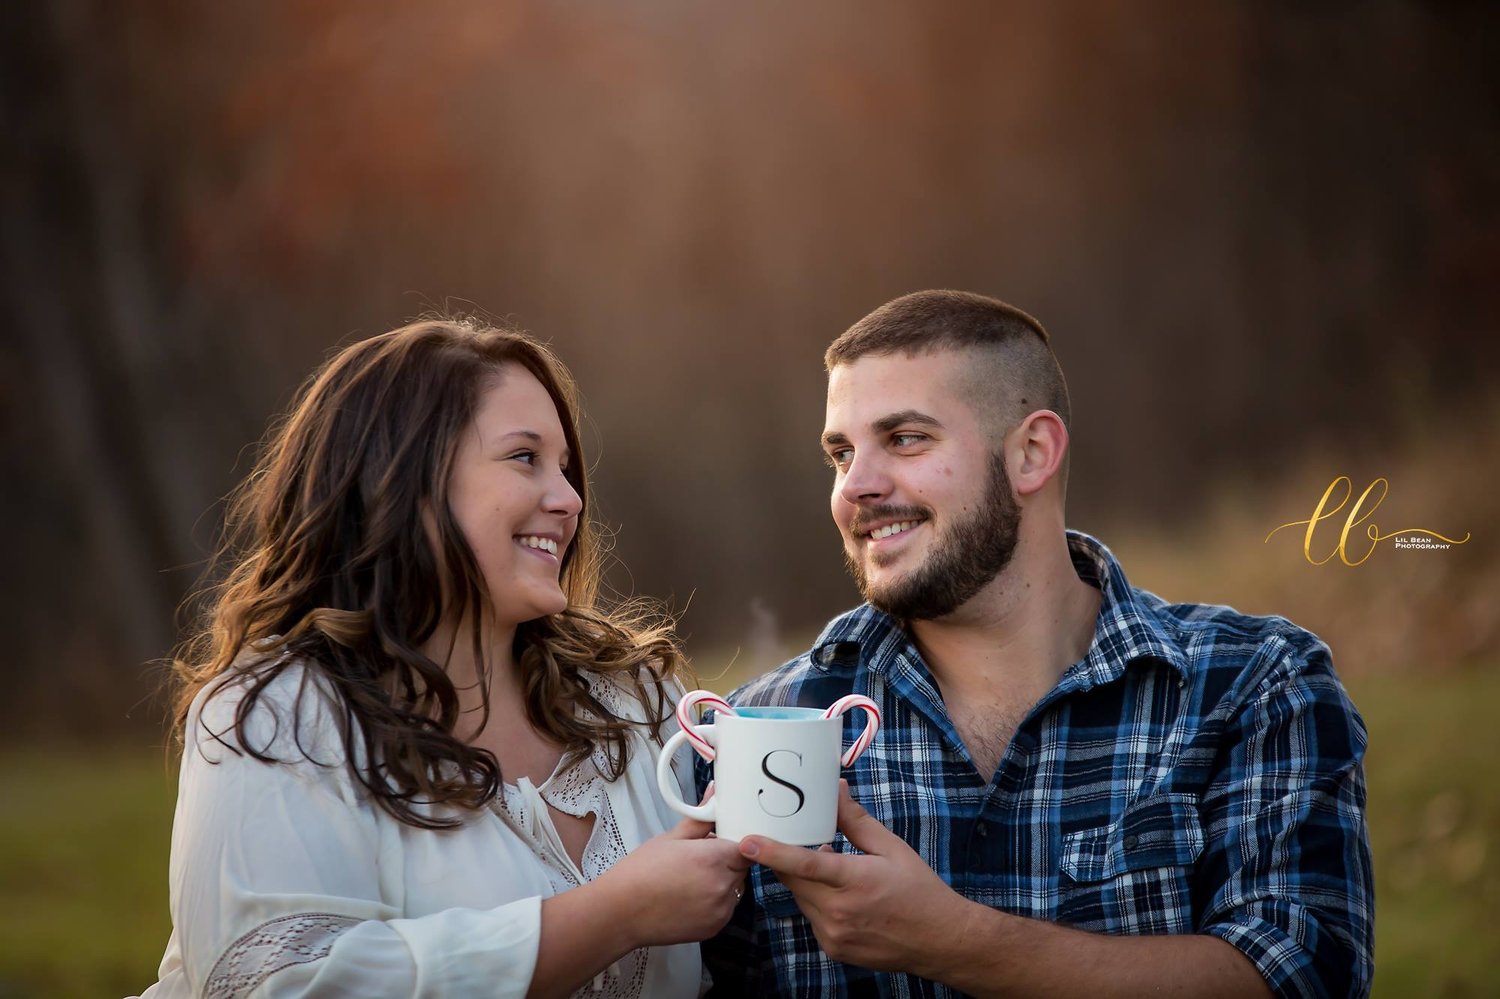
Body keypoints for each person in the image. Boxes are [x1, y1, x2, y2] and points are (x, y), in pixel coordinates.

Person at [700, 291, 1373, 998]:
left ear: (1031, 452)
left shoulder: (1254, 685)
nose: (855, 487)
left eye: (904, 439)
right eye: (842, 453)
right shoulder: (762, 724)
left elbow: (1302, 976)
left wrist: (952, 940)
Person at [134, 318, 749, 999]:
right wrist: (615, 914)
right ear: (406, 481)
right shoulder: (277, 716)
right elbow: (275, 982)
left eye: (567, 469)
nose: (570, 500)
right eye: (525, 458)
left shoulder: (630, 701)